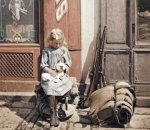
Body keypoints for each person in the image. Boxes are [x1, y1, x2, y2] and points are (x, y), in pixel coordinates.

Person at [40, 28, 72, 127]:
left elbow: (68, 63)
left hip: (60, 74)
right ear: (50, 41)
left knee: (58, 84)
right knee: (50, 85)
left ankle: (55, 109)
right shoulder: (47, 51)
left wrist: (63, 69)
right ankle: (53, 111)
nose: (57, 45)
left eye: (59, 43)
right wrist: (50, 71)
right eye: (55, 43)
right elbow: (43, 65)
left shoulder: (63, 50)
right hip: (50, 74)